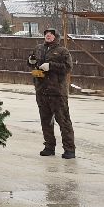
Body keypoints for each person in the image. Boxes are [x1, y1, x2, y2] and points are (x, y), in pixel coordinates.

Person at [28, 27, 76, 158]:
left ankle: (69, 149)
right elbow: (32, 63)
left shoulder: (62, 51)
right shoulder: (39, 48)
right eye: (46, 34)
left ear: (56, 37)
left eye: (51, 34)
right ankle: (49, 147)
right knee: (46, 121)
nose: (48, 36)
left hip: (57, 92)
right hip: (41, 91)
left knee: (63, 120)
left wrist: (51, 66)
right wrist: (31, 61)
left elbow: (68, 67)